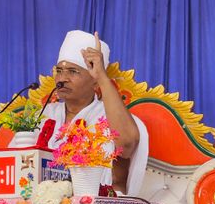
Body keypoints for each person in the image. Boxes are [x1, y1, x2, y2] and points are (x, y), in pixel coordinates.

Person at [40, 30, 149, 195]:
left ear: (95, 82)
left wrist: (102, 77)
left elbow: (126, 146)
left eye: (73, 71)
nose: (62, 79)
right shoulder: (44, 116)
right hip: (47, 201)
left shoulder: (109, 117)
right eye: (59, 71)